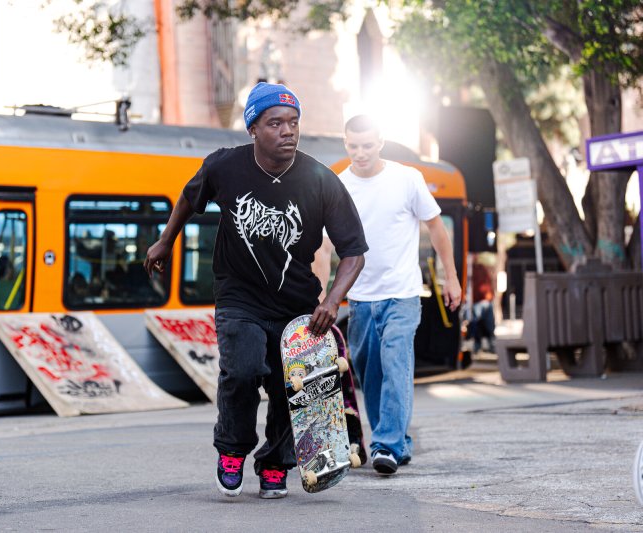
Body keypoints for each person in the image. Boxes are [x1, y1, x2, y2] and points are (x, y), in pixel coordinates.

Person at [144, 82, 367, 499]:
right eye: (275, 123)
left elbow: (354, 251)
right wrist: (165, 240)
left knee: (289, 388)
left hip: (296, 304)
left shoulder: (320, 179)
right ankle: (232, 450)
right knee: (243, 371)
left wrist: (332, 300)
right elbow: (189, 199)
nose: (288, 131)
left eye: (293, 122)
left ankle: (276, 463)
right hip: (238, 296)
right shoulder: (224, 166)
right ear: (253, 129)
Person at [313, 114, 461, 476]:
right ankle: (396, 442)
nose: (360, 153)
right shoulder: (338, 186)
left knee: (396, 363)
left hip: (402, 293)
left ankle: (386, 445)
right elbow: (323, 247)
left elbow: (436, 228)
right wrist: (320, 296)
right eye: (353, 146)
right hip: (360, 298)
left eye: (367, 145)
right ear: (345, 143)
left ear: (380, 142)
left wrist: (451, 278)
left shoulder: (407, 179)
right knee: (370, 373)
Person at [468, 262, 495, 353]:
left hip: (484, 300)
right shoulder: (472, 269)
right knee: (479, 324)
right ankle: (480, 345)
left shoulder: (479, 269)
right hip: (479, 300)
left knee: (486, 324)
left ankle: (487, 345)